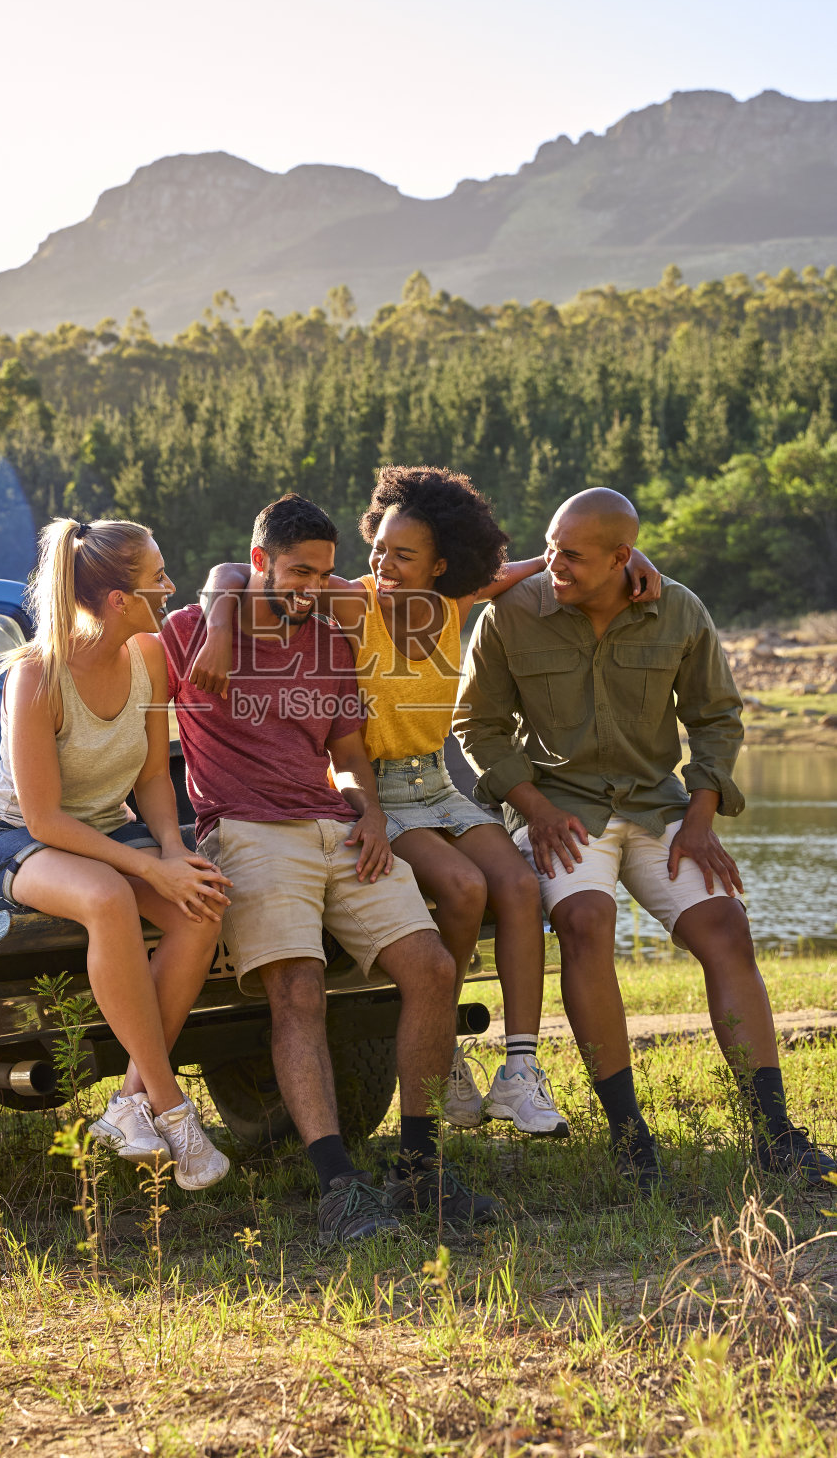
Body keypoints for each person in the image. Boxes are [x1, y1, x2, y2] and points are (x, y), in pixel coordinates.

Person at [190, 467, 660, 1138]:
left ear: (440, 565)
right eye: (377, 548)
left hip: (437, 785)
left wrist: (630, 557)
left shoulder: (453, 602)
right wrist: (215, 626)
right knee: (464, 889)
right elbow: (235, 569)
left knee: (519, 889)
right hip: (372, 789)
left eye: (401, 555)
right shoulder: (350, 602)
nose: (381, 564)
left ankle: (519, 1070)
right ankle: (444, 1054)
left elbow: (545, 563)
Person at [454, 486, 837, 1188]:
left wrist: (699, 818)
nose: (551, 564)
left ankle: (774, 1134)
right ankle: (630, 1138)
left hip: (658, 807)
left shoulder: (678, 609)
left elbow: (715, 716)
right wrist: (533, 809)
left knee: (724, 924)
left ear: (620, 558)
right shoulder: (510, 614)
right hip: (561, 810)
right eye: (549, 547)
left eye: (570, 555)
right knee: (584, 919)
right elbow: (476, 728)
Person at [162, 492, 501, 1243]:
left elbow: (347, 755)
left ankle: (419, 1170)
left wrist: (372, 815)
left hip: (339, 827)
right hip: (249, 832)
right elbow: (127, 719)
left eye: (323, 575)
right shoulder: (188, 632)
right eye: (298, 573)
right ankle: (338, 1186)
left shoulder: (327, 640)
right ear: (259, 563)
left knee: (433, 968)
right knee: (299, 989)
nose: (313, 590)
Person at [0, 517, 231, 1191]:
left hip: (108, 830)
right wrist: (146, 867)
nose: (168, 588)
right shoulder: (36, 678)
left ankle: (129, 1102)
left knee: (199, 910)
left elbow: (149, 777)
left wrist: (173, 851)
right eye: (157, 579)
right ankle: (172, 1109)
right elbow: (46, 816)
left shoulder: (147, 655)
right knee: (106, 898)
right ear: (117, 599)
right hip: (16, 838)